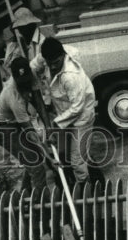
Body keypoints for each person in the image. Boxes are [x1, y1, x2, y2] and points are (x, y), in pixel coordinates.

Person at [32, 35, 97, 183]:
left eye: (56, 62)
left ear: (63, 55)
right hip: (62, 111)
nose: (53, 66)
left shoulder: (71, 76)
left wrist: (54, 124)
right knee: (61, 153)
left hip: (81, 117)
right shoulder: (46, 57)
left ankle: (85, 186)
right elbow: (32, 67)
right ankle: (70, 180)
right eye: (50, 63)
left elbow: (77, 108)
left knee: (77, 160)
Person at [0, 57, 51, 189]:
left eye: (27, 81)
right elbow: (31, 133)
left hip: (16, 124)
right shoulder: (13, 95)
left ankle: (26, 196)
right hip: (5, 130)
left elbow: (39, 103)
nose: (25, 85)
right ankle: (41, 205)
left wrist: (49, 128)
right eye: (21, 82)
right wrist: (49, 156)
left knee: (33, 159)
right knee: (36, 165)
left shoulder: (33, 74)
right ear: (13, 77)